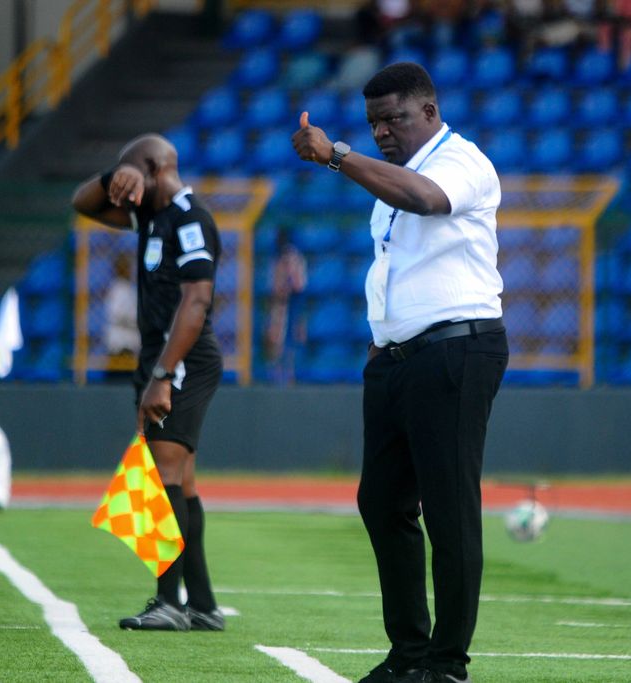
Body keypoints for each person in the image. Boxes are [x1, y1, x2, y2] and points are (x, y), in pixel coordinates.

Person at [291, 62, 508, 683]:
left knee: (448, 508)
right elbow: (398, 264)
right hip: (396, 357)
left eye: (394, 119)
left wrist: (338, 155)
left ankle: (447, 664)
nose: (382, 131)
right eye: (373, 123)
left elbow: (425, 199)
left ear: (430, 112)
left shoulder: (462, 161)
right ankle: (409, 655)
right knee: (381, 501)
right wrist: (380, 343)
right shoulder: (397, 175)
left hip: (456, 348)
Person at [72, 134, 224, 632]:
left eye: (133, 175)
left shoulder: (189, 218)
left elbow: (197, 302)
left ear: (158, 168)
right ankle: (202, 604)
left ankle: (169, 602)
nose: (123, 193)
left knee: (163, 477)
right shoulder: (151, 217)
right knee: (182, 480)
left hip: (182, 360)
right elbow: (83, 202)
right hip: (159, 359)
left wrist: (162, 375)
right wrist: (114, 176)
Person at [263, 228, 307, 384]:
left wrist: (290, 276)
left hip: (293, 303)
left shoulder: (295, 258)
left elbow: (299, 285)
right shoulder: (277, 260)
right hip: (279, 304)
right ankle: (275, 371)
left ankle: (290, 372)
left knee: (293, 337)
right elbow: (275, 288)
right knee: (276, 336)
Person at [102, 250, 141, 357]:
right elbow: (116, 314)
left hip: (129, 342)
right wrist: (137, 319)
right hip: (121, 343)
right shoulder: (118, 288)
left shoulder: (127, 288)